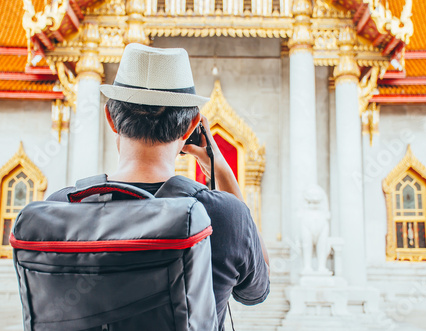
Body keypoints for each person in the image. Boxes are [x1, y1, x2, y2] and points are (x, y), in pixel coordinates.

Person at [46, 43, 270, 330]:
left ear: (111, 119)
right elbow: (256, 291)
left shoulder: (60, 209)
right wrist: (221, 169)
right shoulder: (223, 215)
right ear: (191, 127)